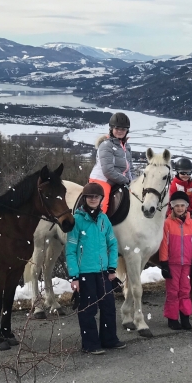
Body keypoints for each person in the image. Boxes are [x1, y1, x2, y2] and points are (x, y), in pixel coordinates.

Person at [66, 183, 126, 354]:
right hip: (85, 273)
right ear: (85, 198)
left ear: (101, 199)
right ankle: (90, 344)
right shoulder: (77, 220)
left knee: (108, 306)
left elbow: (113, 244)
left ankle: (109, 340)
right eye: (90, 196)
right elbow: (70, 251)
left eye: (96, 196)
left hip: (103, 272)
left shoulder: (104, 219)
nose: (93, 199)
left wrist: (112, 267)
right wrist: (74, 276)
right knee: (87, 309)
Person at [159, 191, 192, 331]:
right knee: (173, 291)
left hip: (187, 264)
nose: (180, 208)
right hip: (173, 264)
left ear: (187, 207)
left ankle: (185, 317)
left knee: (185, 290)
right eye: (177, 205)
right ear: (172, 207)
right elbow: (164, 244)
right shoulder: (167, 224)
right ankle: (172, 319)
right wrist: (164, 263)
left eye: (182, 205)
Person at [89, 112, 133, 213]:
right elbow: (108, 171)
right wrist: (126, 180)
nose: (120, 131)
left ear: (127, 131)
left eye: (123, 129)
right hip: (102, 179)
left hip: (119, 180)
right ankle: (98, 224)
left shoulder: (127, 147)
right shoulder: (106, 145)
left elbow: (130, 168)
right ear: (111, 129)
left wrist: (134, 182)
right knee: (102, 204)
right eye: (117, 128)